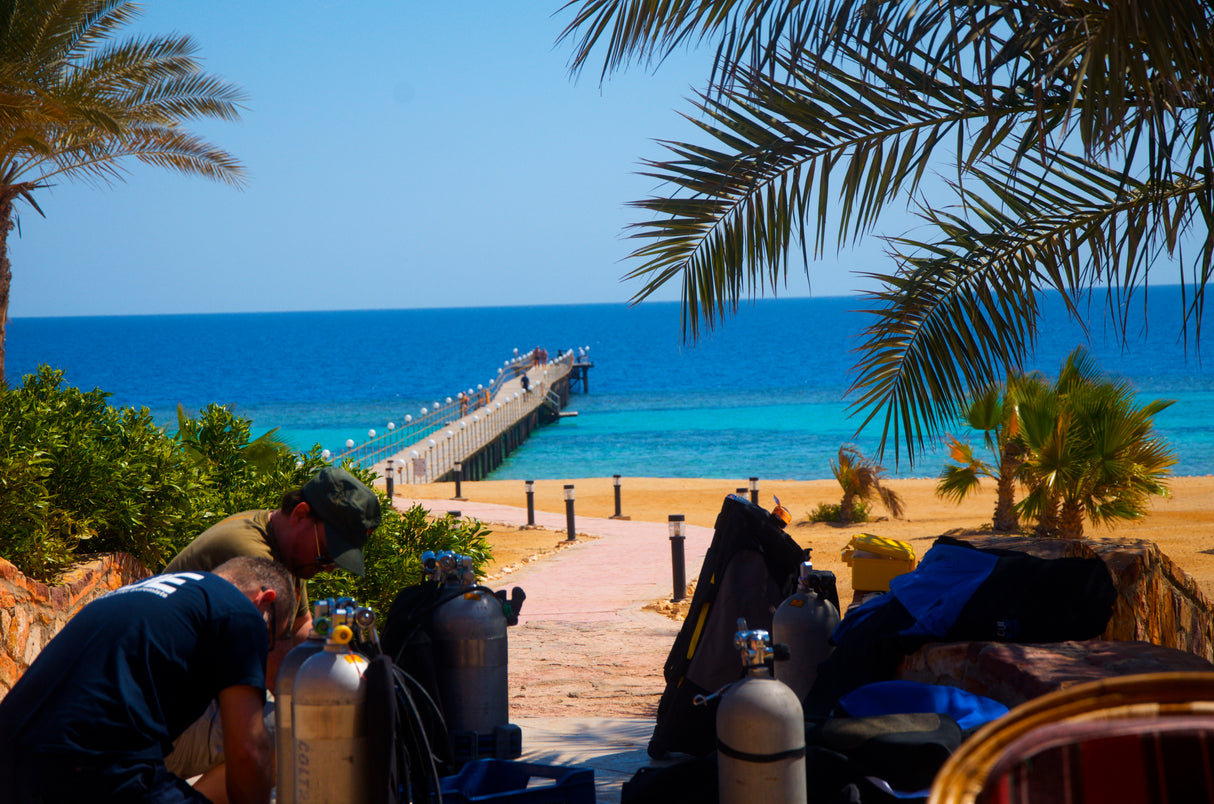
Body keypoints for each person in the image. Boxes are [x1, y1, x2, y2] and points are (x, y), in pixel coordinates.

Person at [0, 556, 295, 804]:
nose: (265, 649)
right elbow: (248, 751)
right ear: (265, 600)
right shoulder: (241, 613)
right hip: (93, 769)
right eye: (271, 639)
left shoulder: (140, 592)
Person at [161, 466, 381, 788]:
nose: (328, 568)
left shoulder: (282, 545)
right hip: (163, 724)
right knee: (297, 735)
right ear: (301, 514)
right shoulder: (254, 558)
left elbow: (302, 629)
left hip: (189, 703)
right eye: (326, 556)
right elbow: (279, 672)